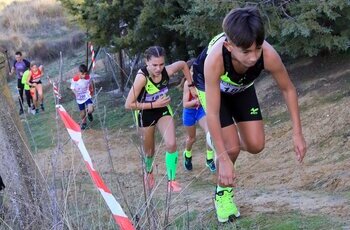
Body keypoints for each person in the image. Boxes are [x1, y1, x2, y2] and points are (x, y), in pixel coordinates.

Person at [192, 7, 307, 222]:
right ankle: (223, 196)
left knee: (255, 145)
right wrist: (224, 157)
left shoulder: (268, 55)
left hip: (240, 87)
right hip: (212, 87)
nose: (254, 57)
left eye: (257, 49)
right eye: (246, 52)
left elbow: (288, 89)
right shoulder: (214, 60)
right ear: (229, 46)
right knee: (230, 147)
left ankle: (214, 141)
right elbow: (214, 114)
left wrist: (297, 133)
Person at [125, 46, 194, 192]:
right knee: (149, 152)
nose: (158, 68)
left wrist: (191, 84)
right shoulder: (142, 78)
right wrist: (154, 104)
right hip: (145, 113)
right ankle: (148, 171)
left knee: (171, 144)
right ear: (146, 62)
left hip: (162, 110)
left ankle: (172, 180)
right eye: (154, 65)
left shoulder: (166, 71)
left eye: (161, 64)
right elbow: (129, 104)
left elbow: (182, 64)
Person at [182, 60, 216, 172]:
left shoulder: (203, 81)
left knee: (209, 133)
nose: (193, 73)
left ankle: (209, 159)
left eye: (195, 70)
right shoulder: (187, 84)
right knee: (192, 138)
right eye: (191, 71)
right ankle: (187, 155)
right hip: (189, 112)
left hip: (201, 110)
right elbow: (185, 104)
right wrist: (198, 100)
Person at [70, 64, 95, 130]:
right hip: (79, 98)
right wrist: (76, 93)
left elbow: (91, 82)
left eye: (85, 74)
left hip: (87, 95)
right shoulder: (74, 79)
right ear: (79, 72)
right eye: (82, 74)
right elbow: (72, 88)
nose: (84, 76)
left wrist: (92, 88)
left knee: (91, 109)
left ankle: (89, 113)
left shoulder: (88, 77)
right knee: (83, 113)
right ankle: (84, 123)